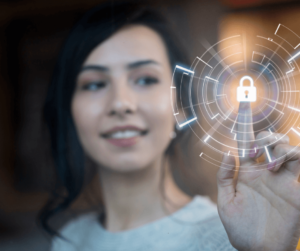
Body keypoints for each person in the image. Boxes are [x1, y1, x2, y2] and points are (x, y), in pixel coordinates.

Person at [39, 2, 300, 250]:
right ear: (70, 109)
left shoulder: (233, 239)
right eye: (94, 84)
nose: (120, 103)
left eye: (145, 80)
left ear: (181, 107)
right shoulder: (69, 240)